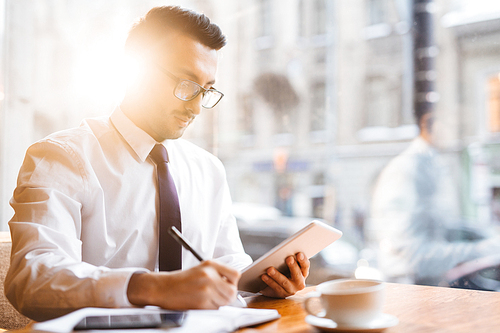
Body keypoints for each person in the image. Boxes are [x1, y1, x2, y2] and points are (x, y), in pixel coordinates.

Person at [5, 6, 310, 321]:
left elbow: (230, 267)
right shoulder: (61, 157)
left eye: (205, 90)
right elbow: (32, 278)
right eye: (186, 84)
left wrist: (262, 285)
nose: (196, 108)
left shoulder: (209, 170)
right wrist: (153, 287)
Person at [368, 110, 500, 285]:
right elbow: (412, 254)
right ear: (427, 124)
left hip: (425, 284)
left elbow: (437, 229)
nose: (455, 130)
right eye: (450, 124)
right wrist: (480, 250)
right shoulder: (409, 169)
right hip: (409, 285)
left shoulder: (431, 164)